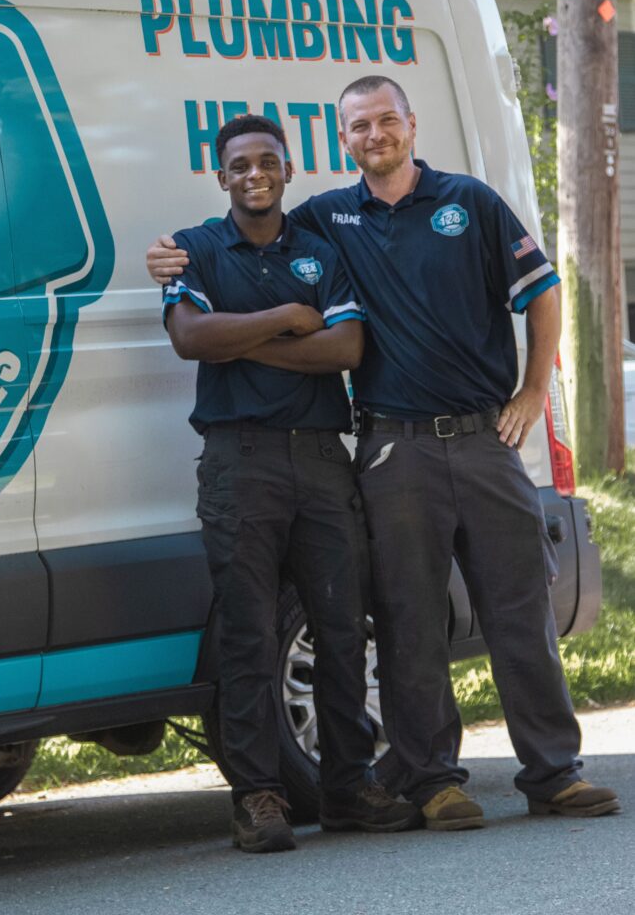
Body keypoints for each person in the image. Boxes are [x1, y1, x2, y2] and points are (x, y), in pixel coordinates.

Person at [149, 77, 620, 830]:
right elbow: (232, 262)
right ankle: (434, 780)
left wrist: (534, 388)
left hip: (482, 438)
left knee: (518, 612)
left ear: (409, 123)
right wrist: (175, 262)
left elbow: (541, 290)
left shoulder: (469, 202)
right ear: (341, 142)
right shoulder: (325, 218)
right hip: (390, 448)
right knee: (406, 622)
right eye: (358, 126)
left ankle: (551, 772)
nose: (374, 135)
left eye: (385, 120)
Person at [161, 114, 418, 853]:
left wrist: (241, 340)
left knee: (340, 629)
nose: (254, 174)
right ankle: (258, 797)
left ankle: (348, 787)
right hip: (238, 463)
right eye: (239, 164)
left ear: (287, 168)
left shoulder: (320, 251)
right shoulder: (195, 249)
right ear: (221, 176)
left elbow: (344, 347)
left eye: (266, 161)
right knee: (246, 632)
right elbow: (189, 339)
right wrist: (284, 319)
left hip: (318, 458)